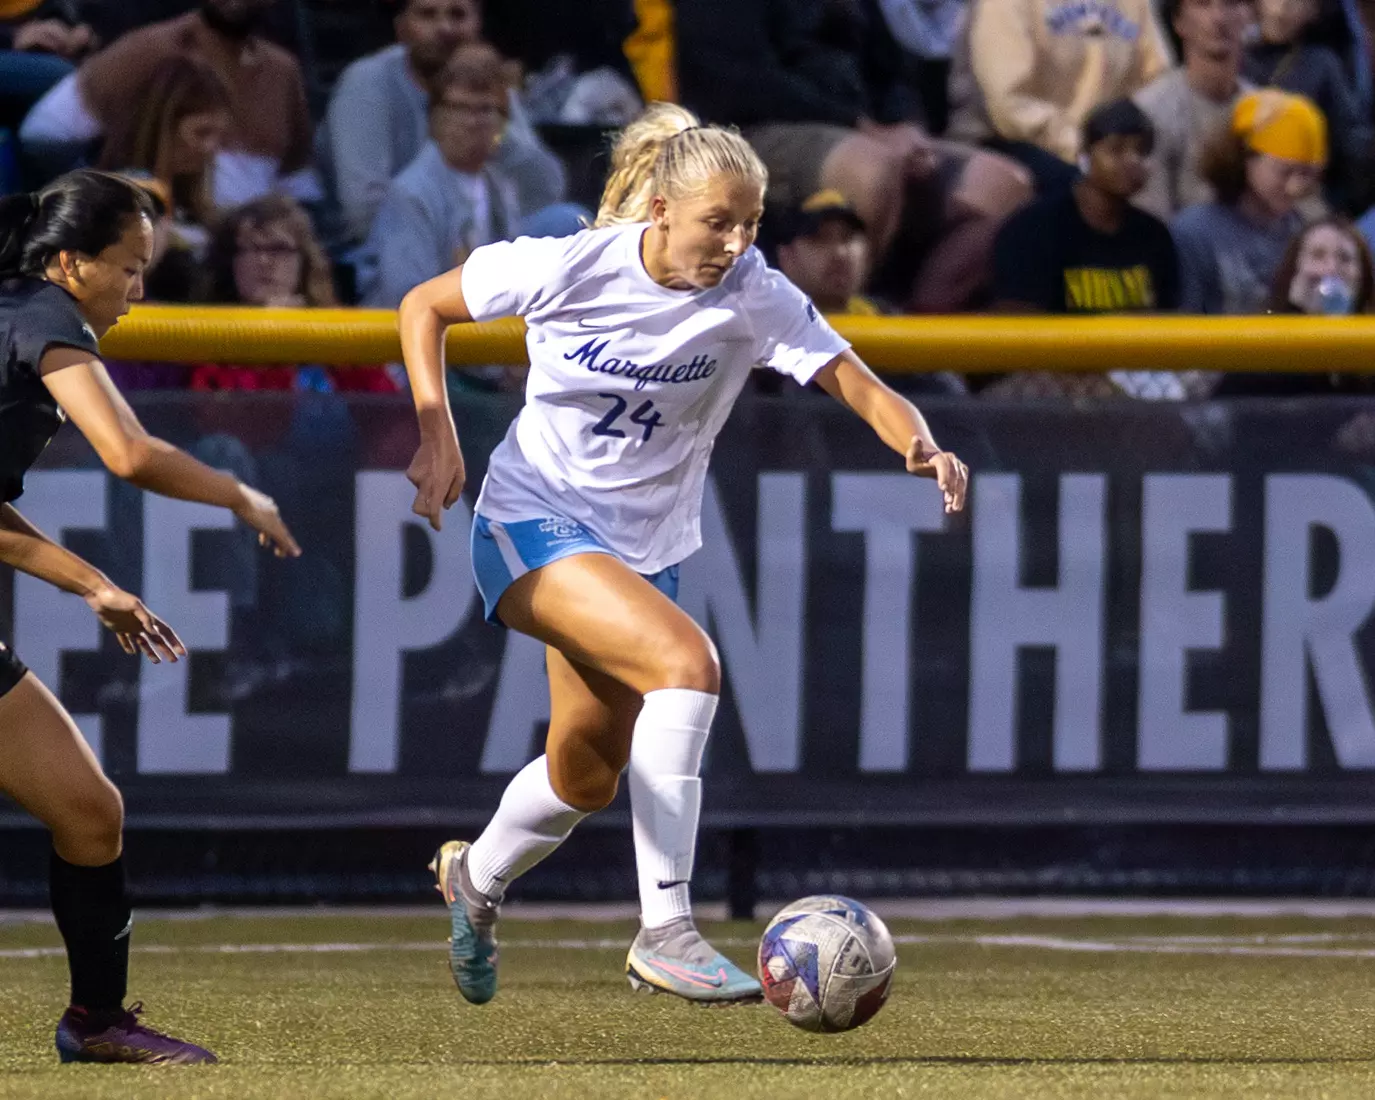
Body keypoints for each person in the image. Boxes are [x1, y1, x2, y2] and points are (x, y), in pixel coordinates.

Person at [398, 103, 968, 1006]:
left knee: (583, 774)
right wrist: (437, 432)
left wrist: (919, 442)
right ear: (659, 208)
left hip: (643, 548)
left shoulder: (753, 292)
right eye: (718, 221)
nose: (736, 240)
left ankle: (477, 878)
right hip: (529, 517)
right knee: (686, 663)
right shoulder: (571, 264)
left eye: (749, 223)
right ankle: (665, 929)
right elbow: (423, 305)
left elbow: (853, 379)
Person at [0, 169, 300, 1063]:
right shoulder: (43, 321)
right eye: (128, 269)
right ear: (67, 264)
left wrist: (90, 580)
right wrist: (238, 493)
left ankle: (96, 1023)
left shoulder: (25, 314)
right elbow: (130, 453)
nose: (138, 290)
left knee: (89, 811)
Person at [19, 0, 317, 208]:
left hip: (246, 259)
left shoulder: (284, 72)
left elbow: (298, 187)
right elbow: (45, 132)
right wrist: (96, 194)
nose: (211, 149)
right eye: (202, 135)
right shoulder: (149, 50)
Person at [320, 0, 567, 251]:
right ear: (401, 27)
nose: (445, 28)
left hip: (483, 235)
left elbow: (548, 190)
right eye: (428, 15)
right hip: (389, 245)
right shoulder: (368, 83)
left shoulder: (486, 79)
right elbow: (361, 213)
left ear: (477, 24)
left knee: (564, 221)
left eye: (458, 15)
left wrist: (493, 128)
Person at [360, 43, 525, 309]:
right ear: (435, 118)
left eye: (485, 110)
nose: (473, 122)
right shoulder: (410, 194)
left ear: (503, 122)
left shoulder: (501, 187)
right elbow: (408, 296)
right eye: (460, 109)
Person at [947, 0, 1172, 190]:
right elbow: (1008, 107)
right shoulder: (1003, 5)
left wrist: (1130, 146)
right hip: (1016, 145)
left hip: (1114, 147)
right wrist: (1087, 148)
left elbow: (1158, 83)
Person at [992, 99, 1180, 314]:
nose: (1132, 161)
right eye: (1116, 150)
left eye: (1142, 151)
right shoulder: (1033, 230)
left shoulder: (1154, 236)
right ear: (1085, 156)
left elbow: (1167, 320)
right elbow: (1019, 327)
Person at [1172, 89, 1327, 313]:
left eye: (1306, 174)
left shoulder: (1304, 232)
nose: (1295, 187)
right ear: (1246, 158)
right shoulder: (1194, 232)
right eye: (1284, 171)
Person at [1133, 0, 1256, 220]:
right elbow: (1151, 218)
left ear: (1250, 17)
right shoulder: (1150, 111)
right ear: (1178, 21)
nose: (1218, 17)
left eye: (1231, 4)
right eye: (1202, 4)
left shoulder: (1267, 110)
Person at [1244, 0, 1372, 211]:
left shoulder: (1321, 64)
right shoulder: (1236, 56)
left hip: (1301, 198)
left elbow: (1351, 142)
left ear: (1313, 11)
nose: (1280, 9)